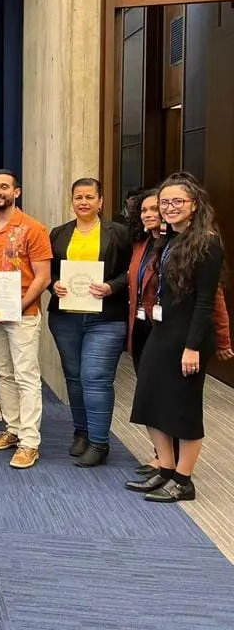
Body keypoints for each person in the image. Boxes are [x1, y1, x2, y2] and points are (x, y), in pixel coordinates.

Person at [126, 174, 225, 502]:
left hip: (190, 338)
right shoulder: (169, 239)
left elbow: (206, 301)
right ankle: (165, 468)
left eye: (177, 202)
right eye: (165, 202)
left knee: (183, 408)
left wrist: (192, 346)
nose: (169, 208)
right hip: (164, 331)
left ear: (194, 205)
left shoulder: (207, 242)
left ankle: (183, 480)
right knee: (148, 399)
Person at [46, 178, 131, 467]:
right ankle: (80, 432)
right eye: (78, 197)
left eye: (89, 197)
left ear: (101, 201)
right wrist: (54, 285)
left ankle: (99, 442)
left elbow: (130, 273)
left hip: (105, 318)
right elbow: (49, 272)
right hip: (65, 318)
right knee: (73, 377)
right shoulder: (58, 233)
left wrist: (112, 287)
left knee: (95, 378)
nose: (83, 202)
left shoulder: (118, 233)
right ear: (72, 201)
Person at [0, 170, 52, 470]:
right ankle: (14, 428)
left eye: (4, 187)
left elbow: (43, 277)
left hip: (23, 313)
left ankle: (30, 442)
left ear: (16, 192)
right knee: (2, 374)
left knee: (26, 376)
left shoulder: (33, 228)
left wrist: (20, 304)